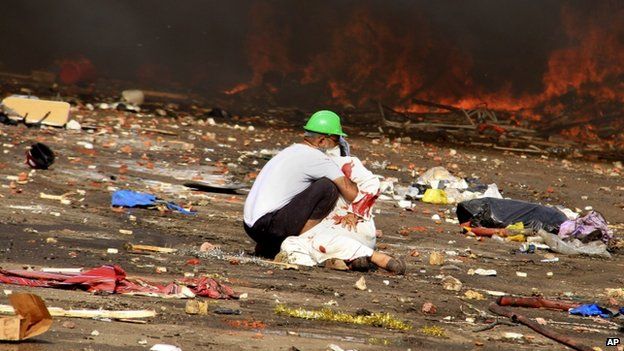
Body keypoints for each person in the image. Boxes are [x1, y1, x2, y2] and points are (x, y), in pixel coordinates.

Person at [278, 139, 406, 274]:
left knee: (320, 241)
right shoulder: (312, 166)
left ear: (323, 141)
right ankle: (348, 260)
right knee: (291, 243)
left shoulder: (342, 163)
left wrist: (355, 213)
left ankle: (380, 259)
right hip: (329, 225)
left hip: (352, 225)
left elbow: (372, 184)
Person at [243, 110, 359, 258]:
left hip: (250, 225)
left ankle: (269, 245)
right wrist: (346, 161)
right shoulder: (317, 158)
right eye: (336, 142)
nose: (337, 146)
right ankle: (298, 243)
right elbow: (352, 193)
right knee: (328, 187)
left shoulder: (290, 151)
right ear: (322, 141)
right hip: (269, 226)